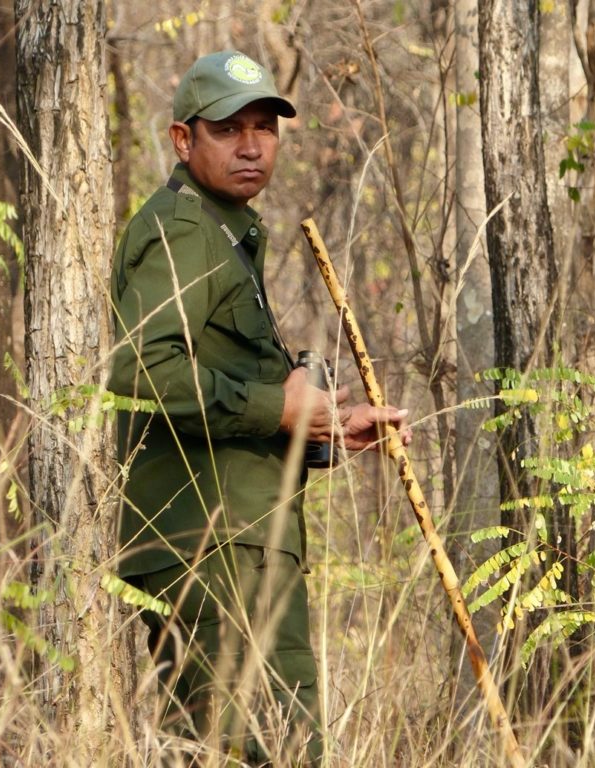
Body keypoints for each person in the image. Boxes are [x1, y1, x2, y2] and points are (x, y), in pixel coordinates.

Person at [108, 50, 408, 765]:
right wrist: (278, 409)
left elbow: (215, 381)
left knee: (268, 744)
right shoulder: (182, 228)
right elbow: (139, 369)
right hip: (211, 546)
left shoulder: (224, 233)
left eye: (264, 128)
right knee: (250, 748)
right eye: (229, 129)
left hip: (244, 539)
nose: (251, 146)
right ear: (184, 140)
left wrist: (322, 426)